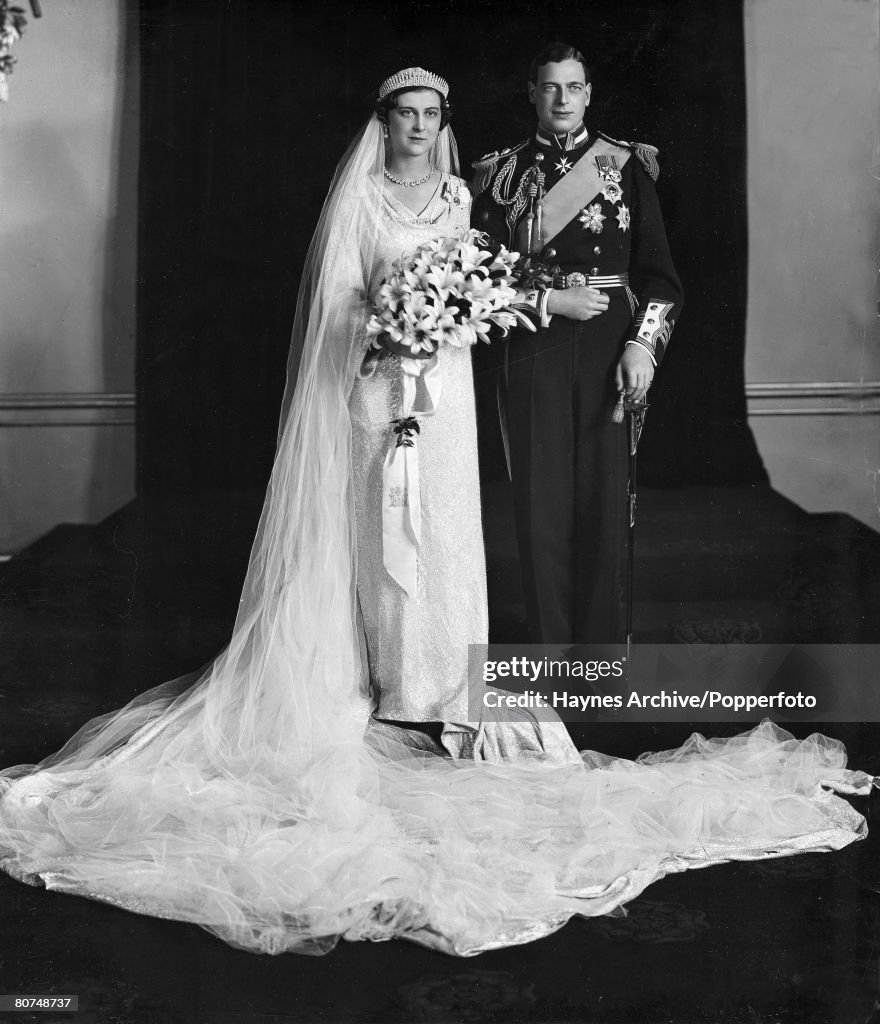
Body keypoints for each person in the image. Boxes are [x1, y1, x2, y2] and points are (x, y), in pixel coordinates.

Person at [0, 67, 871, 960]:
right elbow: (343, 297)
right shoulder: (373, 196)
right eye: (405, 115)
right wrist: (397, 324)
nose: (418, 127)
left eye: (429, 115)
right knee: (386, 536)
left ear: (444, 123)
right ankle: (389, 679)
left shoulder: (468, 190)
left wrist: (467, 315)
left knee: (455, 534)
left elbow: (496, 282)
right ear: (384, 122)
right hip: (384, 382)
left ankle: (457, 678)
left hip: (447, 386)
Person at [472, 42, 683, 646]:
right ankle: (551, 649)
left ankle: (600, 655)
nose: (562, 99)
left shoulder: (625, 165)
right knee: (539, 506)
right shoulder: (502, 173)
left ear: (588, 93)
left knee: (602, 502)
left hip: (607, 349)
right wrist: (544, 301)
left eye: (574, 87)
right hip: (531, 348)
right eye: (550, 88)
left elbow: (662, 280)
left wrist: (643, 347)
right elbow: (479, 280)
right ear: (532, 94)